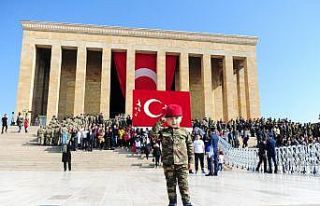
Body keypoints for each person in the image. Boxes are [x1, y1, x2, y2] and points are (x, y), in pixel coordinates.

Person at [151, 104, 193, 206]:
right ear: (166, 119)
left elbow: (190, 147)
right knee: (170, 184)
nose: (174, 121)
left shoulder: (185, 132)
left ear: (181, 118)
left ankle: (187, 203)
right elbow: (153, 134)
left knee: (184, 184)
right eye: (170, 118)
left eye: (177, 118)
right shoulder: (163, 132)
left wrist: (191, 162)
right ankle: (172, 203)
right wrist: (160, 121)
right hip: (168, 163)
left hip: (182, 163)